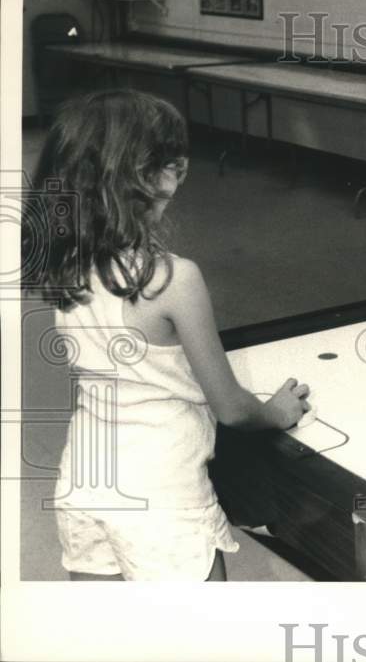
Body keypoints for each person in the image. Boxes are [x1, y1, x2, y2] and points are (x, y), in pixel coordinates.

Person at [23, 90, 311, 581]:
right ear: (141, 176)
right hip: (163, 496)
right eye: (171, 162)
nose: (180, 173)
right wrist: (277, 412)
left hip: (83, 480)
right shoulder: (173, 280)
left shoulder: (68, 264)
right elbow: (232, 409)